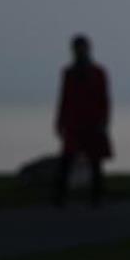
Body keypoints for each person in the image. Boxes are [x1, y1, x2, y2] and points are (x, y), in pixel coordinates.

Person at [52, 34, 112, 206]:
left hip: (93, 120)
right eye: (77, 48)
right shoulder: (68, 73)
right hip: (74, 121)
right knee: (67, 159)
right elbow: (64, 98)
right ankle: (60, 196)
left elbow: (104, 98)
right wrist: (60, 121)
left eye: (82, 47)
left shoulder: (98, 73)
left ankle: (96, 196)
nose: (79, 51)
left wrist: (103, 120)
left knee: (95, 162)